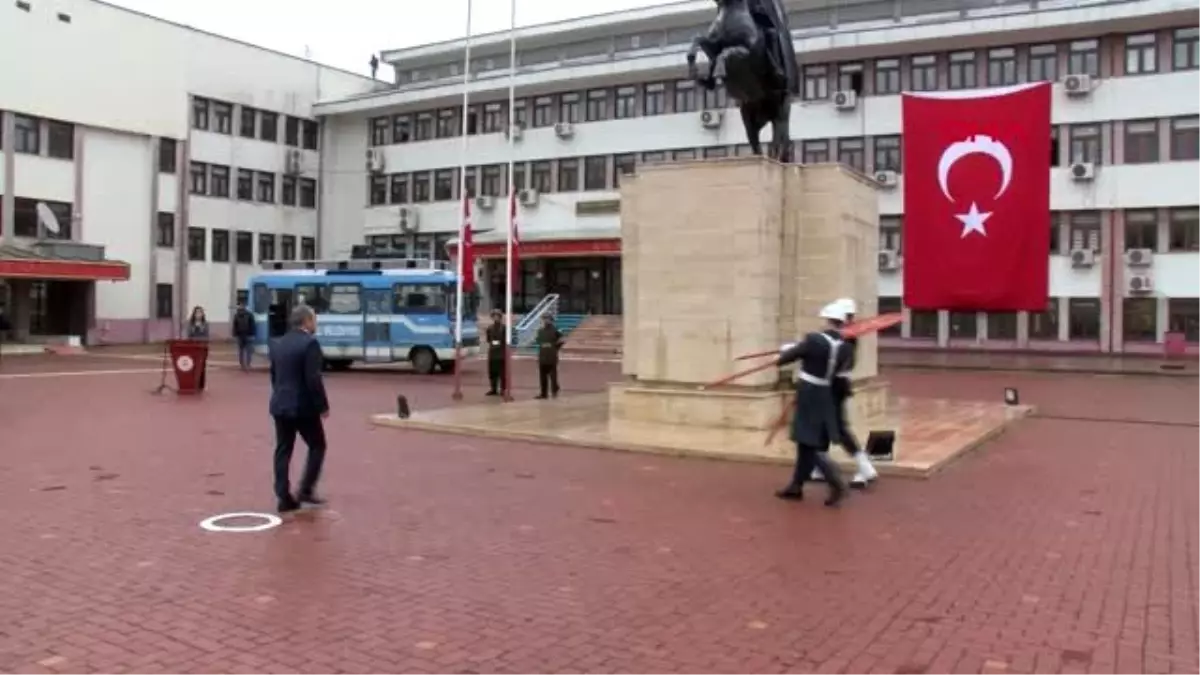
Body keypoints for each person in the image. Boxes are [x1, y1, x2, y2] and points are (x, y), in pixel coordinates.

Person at [773, 301, 849, 507]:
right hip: (824, 393)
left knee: (806, 440)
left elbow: (786, 358)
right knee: (806, 440)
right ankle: (796, 485)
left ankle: (835, 481)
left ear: (827, 319)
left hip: (808, 393)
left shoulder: (814, 340)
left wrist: (782, 353)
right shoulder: (845, 347)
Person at [268, 305, 330, 513]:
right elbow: (313, 379)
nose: (316, 324)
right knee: (318, 445)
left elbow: (274, 376)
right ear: (306, 321)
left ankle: (283, 496)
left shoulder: (278, 343)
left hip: (280, 404)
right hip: (303, 407)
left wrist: (280, 396)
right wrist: (322, 406)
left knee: (283, 449)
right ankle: (305, 489)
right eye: (314, 319)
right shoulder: (310, 344)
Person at [831, 298, 879, 489]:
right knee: (822, 425)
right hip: (837, 384)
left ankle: (864, 466)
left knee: (839, 427)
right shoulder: (843, 335)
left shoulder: (845, 338)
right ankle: (816, 466)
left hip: (834, 385)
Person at [534, 314, 564, 399]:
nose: (545, 321)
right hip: (543, 355)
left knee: (553, 375)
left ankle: (554, 390)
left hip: (552, 356)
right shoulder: (540, 331)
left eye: (547, 319)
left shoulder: (556, 330)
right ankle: (543, 393)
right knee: (542, 376)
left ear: (551, 320)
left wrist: (555, 347)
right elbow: (538, 341)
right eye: (544, 319)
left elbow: (562, 339)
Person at [185, 306, 210, 390]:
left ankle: (201, 385)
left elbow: (206, 337)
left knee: (202, 367)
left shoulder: (205, 324)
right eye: (197, 312)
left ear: (202, 314)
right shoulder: (190, 324)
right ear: (194, 314)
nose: (198, 314)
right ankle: (192, 383)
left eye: (200, 312)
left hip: (202, 347)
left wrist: (199, 339)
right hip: (193, 348)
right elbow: (188, 336)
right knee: (193, 366)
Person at [485, 310, 507, 396]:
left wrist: (497, 343)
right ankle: (493, 389)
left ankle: (503, 389)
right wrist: (494, 343)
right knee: (492, 372)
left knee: (502, 373)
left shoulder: (504, 328)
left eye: (497, 316)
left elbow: (505, 340)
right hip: (492, 353)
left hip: (501, 354)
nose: (495, 317)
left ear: (500, 317)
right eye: (494, 316)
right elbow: (488, 339)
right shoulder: (490, 328)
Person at [231, 301, 257, 372]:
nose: (241, 307)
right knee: (241, 351)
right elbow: (235, 326)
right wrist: (235, 334)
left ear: (245, 306)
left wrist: (253, 334)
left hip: (248, 335)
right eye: (240, 305)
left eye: (242, 305)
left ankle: (248, 364)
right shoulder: (236, 315)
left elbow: (253, 325)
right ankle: (242, 364)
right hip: (240, 336)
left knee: (248, 351)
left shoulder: (249, 315)